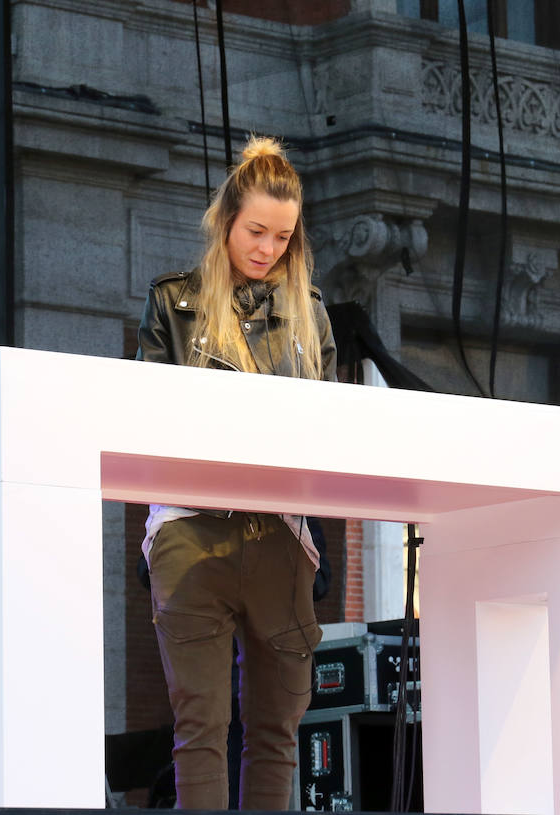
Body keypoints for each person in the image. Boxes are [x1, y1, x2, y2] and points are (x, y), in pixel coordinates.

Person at [135, 134, 337, 810]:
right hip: (193, 527)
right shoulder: (174, 304)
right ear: (226, 221)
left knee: (277, 728)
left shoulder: (311, 316)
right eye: (256, 231)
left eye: (282, 237)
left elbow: (331, 438)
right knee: (201, 728)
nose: (267, 248)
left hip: (281, 531)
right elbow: (142, 422)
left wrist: (319, 536)